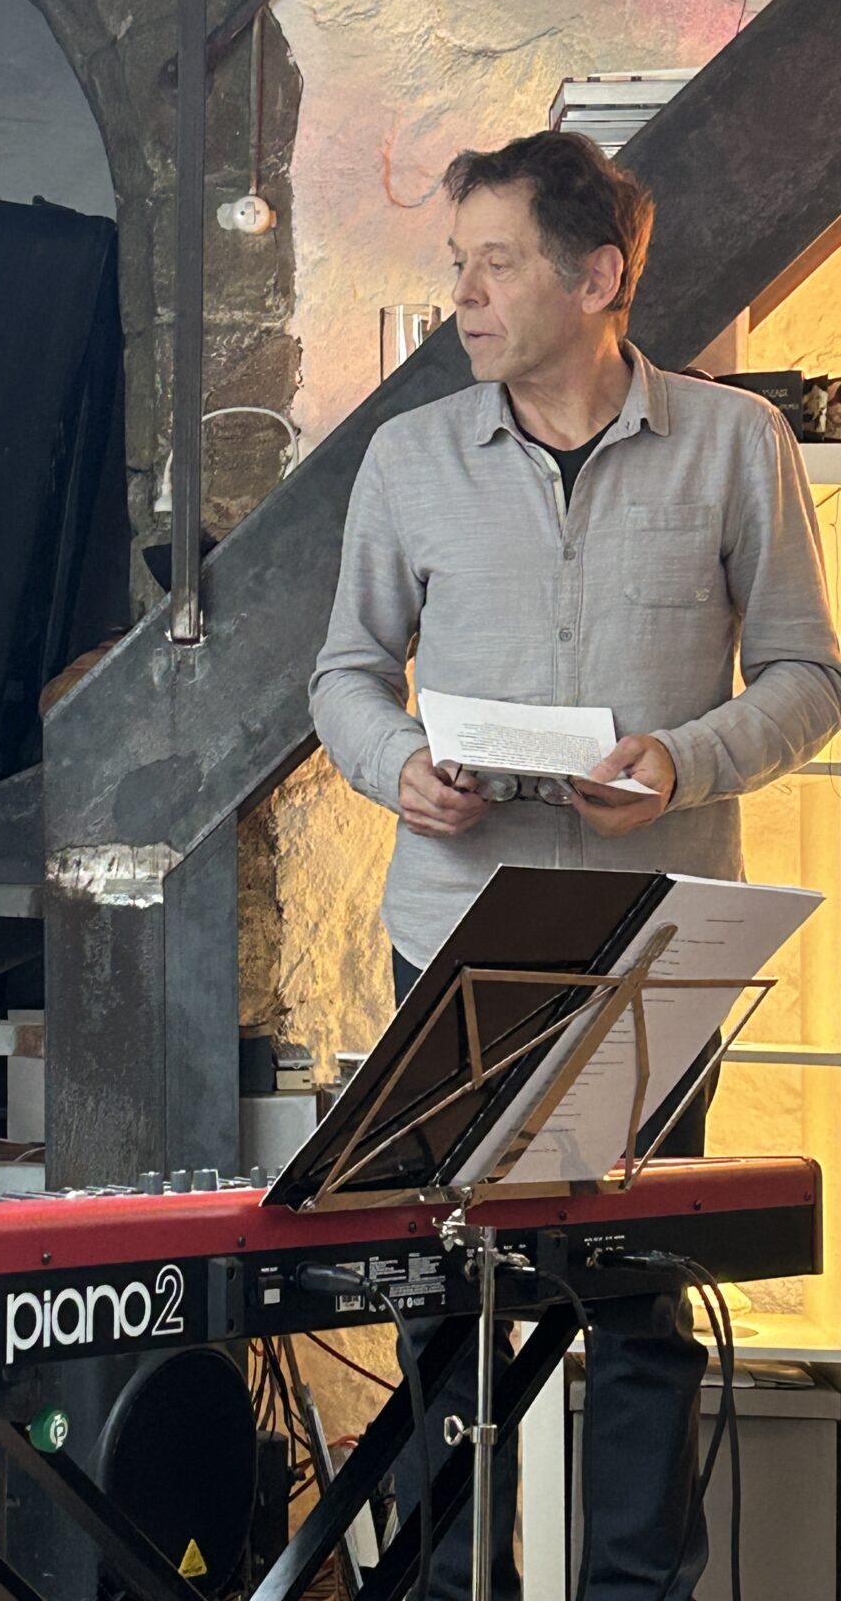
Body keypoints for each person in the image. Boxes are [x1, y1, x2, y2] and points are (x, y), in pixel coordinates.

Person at [310, 129, 841, 1599]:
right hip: (456, 937)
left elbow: (808, 675)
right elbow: (346, 673)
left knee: (642, 1307)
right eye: (457, 267)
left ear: (598, 278)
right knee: (447, 1302)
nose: (464, 300)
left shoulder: (739, 444)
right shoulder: (409, 458)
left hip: (658, 944)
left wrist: (684, 762)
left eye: (494, 266)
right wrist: (396, 765)